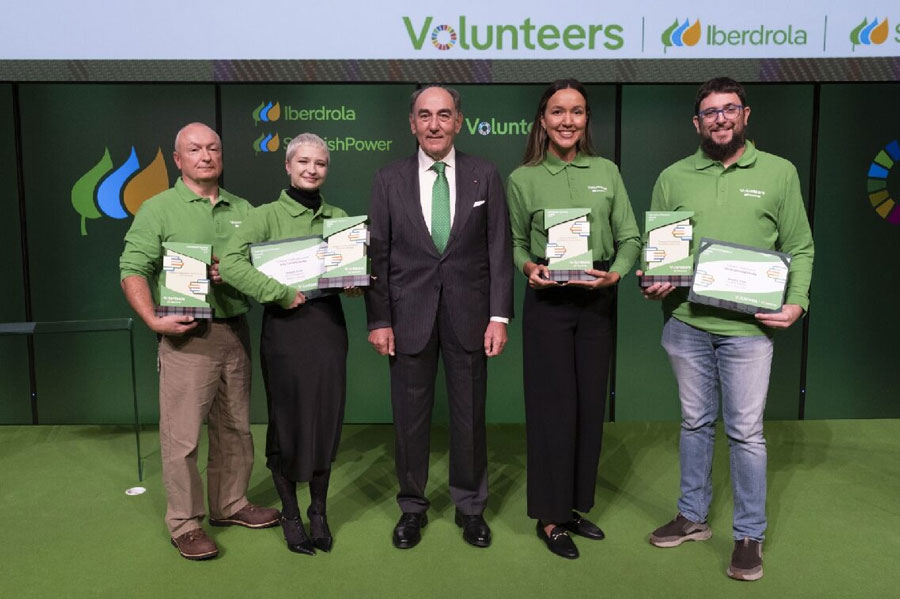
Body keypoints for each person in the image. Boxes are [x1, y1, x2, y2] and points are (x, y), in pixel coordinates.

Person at [642, 77, 814, 581]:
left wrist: (797, 302)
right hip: (687, 326)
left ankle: (748, 535)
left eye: (729, 109)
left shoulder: (779, 173)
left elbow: (800, 246)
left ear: (745, 115)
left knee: (745, 432)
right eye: (710, 112)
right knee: (694, 424)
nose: (720, 118)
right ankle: (693, 517)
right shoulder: (673, 177)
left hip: (748, 332)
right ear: (697, 123)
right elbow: (663, 258)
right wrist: (655, 282)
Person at [119, 122, 279, 561]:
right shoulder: (158, 208)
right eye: (195, 149)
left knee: (235, 429)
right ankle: (185, 523)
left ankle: (229, 505)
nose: (205, 156)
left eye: (212, 148)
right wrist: (153, 317)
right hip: (187, 339)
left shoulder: (244, 209)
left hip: (235, 331)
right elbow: (132, 267)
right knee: (182, 438)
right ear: (178, 159)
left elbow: (267, 268)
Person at [365, 85, 514, 550]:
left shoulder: (484, 175)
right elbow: (379, 255)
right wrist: (379, 319)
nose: (434, 124)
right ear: (412, 123)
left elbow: (498, 251)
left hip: (470, 316)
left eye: (443, 115)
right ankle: (412, 507)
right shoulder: (388, 179)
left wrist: (499, 316)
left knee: (469, 417)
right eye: (425, 115)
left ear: (459, 122)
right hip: (408, 317)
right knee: (409, 419)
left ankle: (471, 507)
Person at [506, 79, 641, 560]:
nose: (567, 121)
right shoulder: (523, 179)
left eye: (577, 112)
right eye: (558, 112)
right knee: (551, 411)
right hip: (549, 303)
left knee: (587, 408)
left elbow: (630, 238)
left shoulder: (607, 171)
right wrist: (528, 267)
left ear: (586, 120)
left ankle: (573, 507)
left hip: (597, 299)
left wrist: (615, 276)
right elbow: (518, 243)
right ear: (542, 120)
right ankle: (548, 516)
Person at [219, 133, 357, 556]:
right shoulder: (264, 216)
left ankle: (319, 511)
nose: (312, 169)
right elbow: (229, 264)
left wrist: (354, 282)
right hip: (285, 329)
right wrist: (278, 291)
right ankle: (291, 513)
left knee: (326, 418)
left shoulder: (340, 217)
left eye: (320, 163)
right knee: (288, 420)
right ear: (288, 166)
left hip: (328, 329)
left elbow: (352, 270)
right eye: (303, 162)